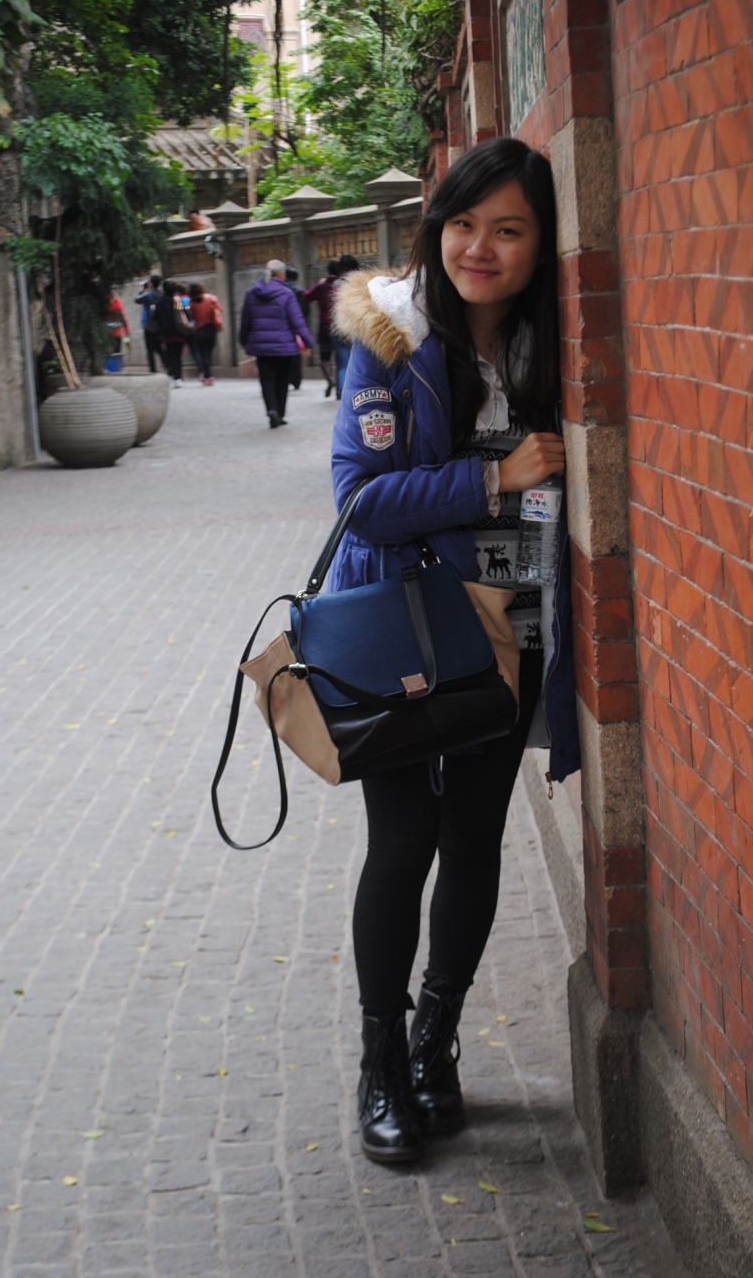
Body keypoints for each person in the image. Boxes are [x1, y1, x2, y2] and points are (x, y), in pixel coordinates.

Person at [328, 137, 580, 1163]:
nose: (480, 247)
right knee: (403, 844)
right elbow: (360, 499)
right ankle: (380, 1061)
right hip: (404, 629)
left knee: (475, 838)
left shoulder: (554, 339)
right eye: (464, 223)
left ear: (541, 243)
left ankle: (436, 1043)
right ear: (437, 228)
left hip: (511, 632)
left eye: (508, 229)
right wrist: (493, 477)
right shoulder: (390, 337)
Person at [239, 259, 316, 428]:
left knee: (266, 381)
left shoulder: (252, 293)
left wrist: (243, 340)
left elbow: (245, 321)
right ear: (281, 274)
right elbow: (297, 321)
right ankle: (280, 413)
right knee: (282, 381)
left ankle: (271, 410)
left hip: (262, 347)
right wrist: (308, 343)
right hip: (284, 346)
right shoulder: (286, 293)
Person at [304, 259, 341, 398]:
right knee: (341, 361)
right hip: (340, 327)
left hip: (324, 328)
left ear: (328, 271)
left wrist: (319, 284)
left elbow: (306, 296)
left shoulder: (321, 287)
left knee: (324, 359)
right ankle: (339, 387)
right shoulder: (343, 285)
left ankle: (331, 379)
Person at [331, 254, 359, 399]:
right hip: (356, 327)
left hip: (339, 326)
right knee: (358, 361)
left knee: (342, 364)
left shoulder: (336, 284)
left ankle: (342, 392)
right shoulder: (359, 281)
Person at [155, 279, 190, 386]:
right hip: (178, 332)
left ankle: (175, 375)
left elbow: (155, 317)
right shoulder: (177, 301)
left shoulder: (159, 302)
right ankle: (179, 377)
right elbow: (184, 314)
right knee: (178, 356)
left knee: (170, 354)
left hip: (166, 334)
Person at [189, 283, 222, 385]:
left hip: (199, 330)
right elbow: (220, 310)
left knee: (203, 354)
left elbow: (192, 317)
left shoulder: (192, 303)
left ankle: (206, 375)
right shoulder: (211, 299)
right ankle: (209, 375)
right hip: (211, 329)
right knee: (209, 354)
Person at [134, 274, 166, 374]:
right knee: (160, 348)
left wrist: (141, 290)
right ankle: (167, 366)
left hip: (148, 325)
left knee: (150, 350)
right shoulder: (161, 295)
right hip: (159, 325)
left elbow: (137, 299)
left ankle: (152, 369)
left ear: (150, 284)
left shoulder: (149, 295)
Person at [285, 267, 308, 390]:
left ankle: (286, 378)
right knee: (296, 353)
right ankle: (296, 380)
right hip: (297, 325)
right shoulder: (300, 291)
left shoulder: (281, 290)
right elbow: (306, 310)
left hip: (283, 327)